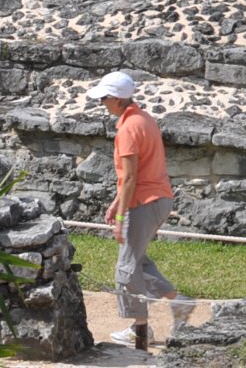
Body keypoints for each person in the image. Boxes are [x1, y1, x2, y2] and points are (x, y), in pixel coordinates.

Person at [93, 72, 186, 350]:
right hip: (158, 198)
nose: (102, 103)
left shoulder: (128, 129)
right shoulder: (143, 119)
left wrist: (120, 218)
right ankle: (178, 303)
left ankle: (140, 329)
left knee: (126, 268)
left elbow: (132, 178)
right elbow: (134, 175)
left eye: (105, 98)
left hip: (143, 202)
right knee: (139, 263)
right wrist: (116, 203)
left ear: (119, 99)